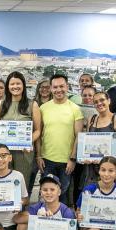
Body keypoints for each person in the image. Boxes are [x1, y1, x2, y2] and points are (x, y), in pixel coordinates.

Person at [37, 73, 83, 203]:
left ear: (67, 86)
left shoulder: (75, 109)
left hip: (66, 161)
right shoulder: (43, 108)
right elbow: (39, 134)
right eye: (55, 87)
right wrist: (39, 156)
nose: (58, 90)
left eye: (61, 86)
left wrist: (73, 159)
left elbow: (78, 137)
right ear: (51, 89)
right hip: (47, 160)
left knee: (62, 195)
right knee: (47, 194)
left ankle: (60, 222)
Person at [1, 71, 42, 190]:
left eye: (18, 83)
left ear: (23, 85)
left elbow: (38, 130)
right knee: (5, 184)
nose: (15, 87)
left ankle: (22, 208)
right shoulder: (1, 104)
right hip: (5, 152)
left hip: (24, 152)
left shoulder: (32, 105)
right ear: (8, 86)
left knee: (21, 184)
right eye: (12, 84)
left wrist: (25, 141)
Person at [81, 90, 116, 187]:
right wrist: (84, 156)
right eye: (96, 102)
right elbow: (87, 143)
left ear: (109, 101)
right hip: (91, 167)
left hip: (108, 167)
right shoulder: (91, 119)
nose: (99, 104)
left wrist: (105, 158)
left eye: (102, 100)